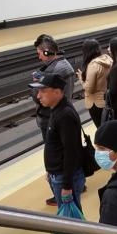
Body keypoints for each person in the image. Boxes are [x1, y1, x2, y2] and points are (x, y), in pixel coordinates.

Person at [29, 74, 85, 211]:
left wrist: (67, 186)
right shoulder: (56, 109)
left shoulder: (64, 115)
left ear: (57, 92)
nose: (38, 96)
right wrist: (50, 170)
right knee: (69, 217)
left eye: (43, 91)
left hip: (63, 178)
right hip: (58, 174)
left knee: (72, 220)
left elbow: (71, 152)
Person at [31, 34, 75, 206]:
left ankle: (62, 190)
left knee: (56, 153)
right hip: (61, 114)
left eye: (40, 52)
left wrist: (36, 83)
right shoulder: (65, 64)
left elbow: (37, 97)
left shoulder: (52, 72)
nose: (39, 56)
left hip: (50, 119)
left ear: (48, 52)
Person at [76, 39, 112, 128]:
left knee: (101, 129)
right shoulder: (107, 59)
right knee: (109, 127)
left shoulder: (93, 65)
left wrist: (81, 78)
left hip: (95, 103)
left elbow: (89, 88)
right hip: (107, 99)